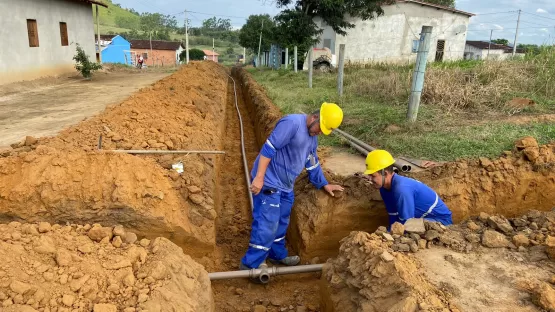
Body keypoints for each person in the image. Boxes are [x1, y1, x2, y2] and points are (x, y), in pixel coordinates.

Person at [240, 103, 345, 272]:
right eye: (320, 128)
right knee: (268, 224)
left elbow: (311, 162)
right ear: (315, 117)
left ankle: (277, 255)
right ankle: (250, 264)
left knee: (281, 223)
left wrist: (324, 184)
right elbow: (269, 148)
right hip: (269, 182)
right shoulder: (292, 124)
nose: (320, 132)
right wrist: (259, 178)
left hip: (286, 187)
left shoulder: (312, 136)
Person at [363, 150, 452, 226]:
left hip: (440, 221)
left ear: (385, 174)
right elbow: (393, 216)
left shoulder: (401, 190)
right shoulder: (383, 188)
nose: (370, 179)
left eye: (373, 176)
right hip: (419, 220)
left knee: (411, 230)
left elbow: (407, 224)